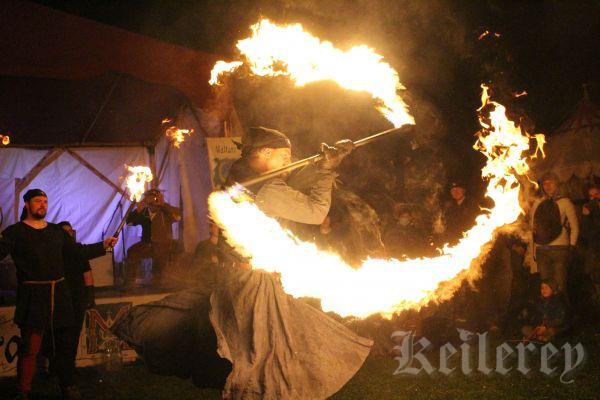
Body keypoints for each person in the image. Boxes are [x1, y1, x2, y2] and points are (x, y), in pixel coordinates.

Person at [112, 127, 373, 400]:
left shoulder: (239, 175)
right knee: (262, 355)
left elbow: (289, 185)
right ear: (265, 152)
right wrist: (326, 171)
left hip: (237, 278)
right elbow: (315, 212)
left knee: (257, 351)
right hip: (254, 283)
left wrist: (320, 166)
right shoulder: (267, 188)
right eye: (284, 156)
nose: (289, 160)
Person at [0, 189, 117, 400]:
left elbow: (78, 253)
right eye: (37, 201)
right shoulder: (15, 232)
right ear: (27, 204)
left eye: (45, 201)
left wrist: (102, 245)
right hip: (34, 296)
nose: (42, 205)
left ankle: (68, 385)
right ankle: (23, 390)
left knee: (65, 345)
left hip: (60, 295)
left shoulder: (56, 231)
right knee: (30, 347)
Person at [530, 172, 579, 296]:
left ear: (556, 184)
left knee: (559, 285)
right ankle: (548, 308)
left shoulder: (565, 202)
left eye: (550, 182)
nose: (547, 186)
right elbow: (533, 227)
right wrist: (533, 250)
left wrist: (572, 246)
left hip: (559, 249)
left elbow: (574, 226)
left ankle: (560, 307)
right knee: (545, 287)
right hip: (542, 249)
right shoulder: (537, 202)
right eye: (545, 183)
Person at [125, 189, 181, 287]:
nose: (152, 201)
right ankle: (129, 284)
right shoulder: (144, 212)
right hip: (147, 244)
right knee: (131, 252)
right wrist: (137, 210)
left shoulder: (165, 210)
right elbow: (129, 223)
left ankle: (158, 282)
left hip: (163, 244)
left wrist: (163, 205)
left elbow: (178, 217)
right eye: (149, 198)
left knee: (159, 257)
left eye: (154, 198)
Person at [581, 184, 600, 299]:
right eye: (591, 196)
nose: (594, 198)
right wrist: (586, 216)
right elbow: (586, 232)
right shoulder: (588, 209)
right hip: (594, 248)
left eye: (597, 194)